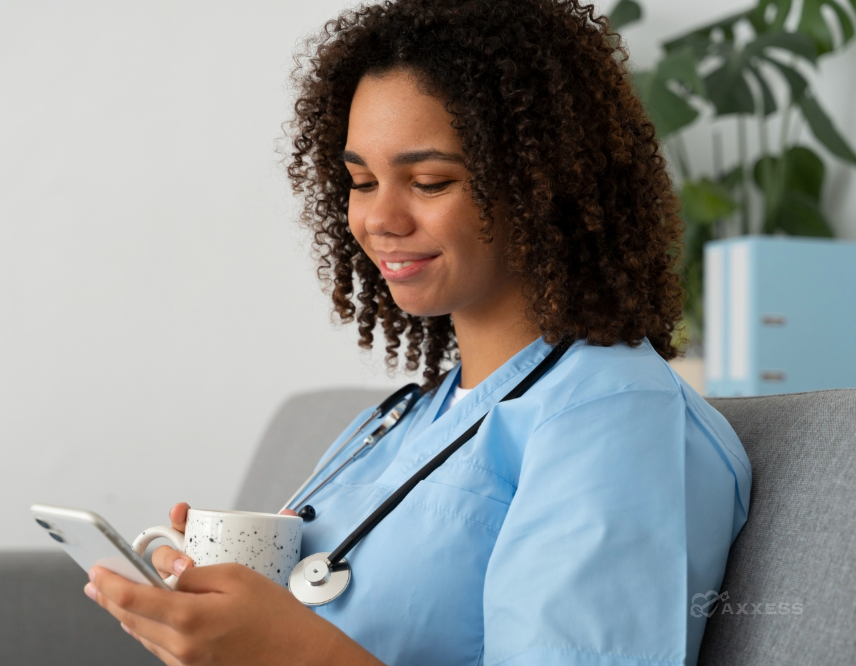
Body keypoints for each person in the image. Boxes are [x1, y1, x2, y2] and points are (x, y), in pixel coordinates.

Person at [83, 1, 752, 664]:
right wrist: (212, 611)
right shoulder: (403, 418)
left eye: (429, 182)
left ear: (542, 184)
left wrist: (286, 651)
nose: (379, 218)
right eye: (361, 181)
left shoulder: (613, 413)